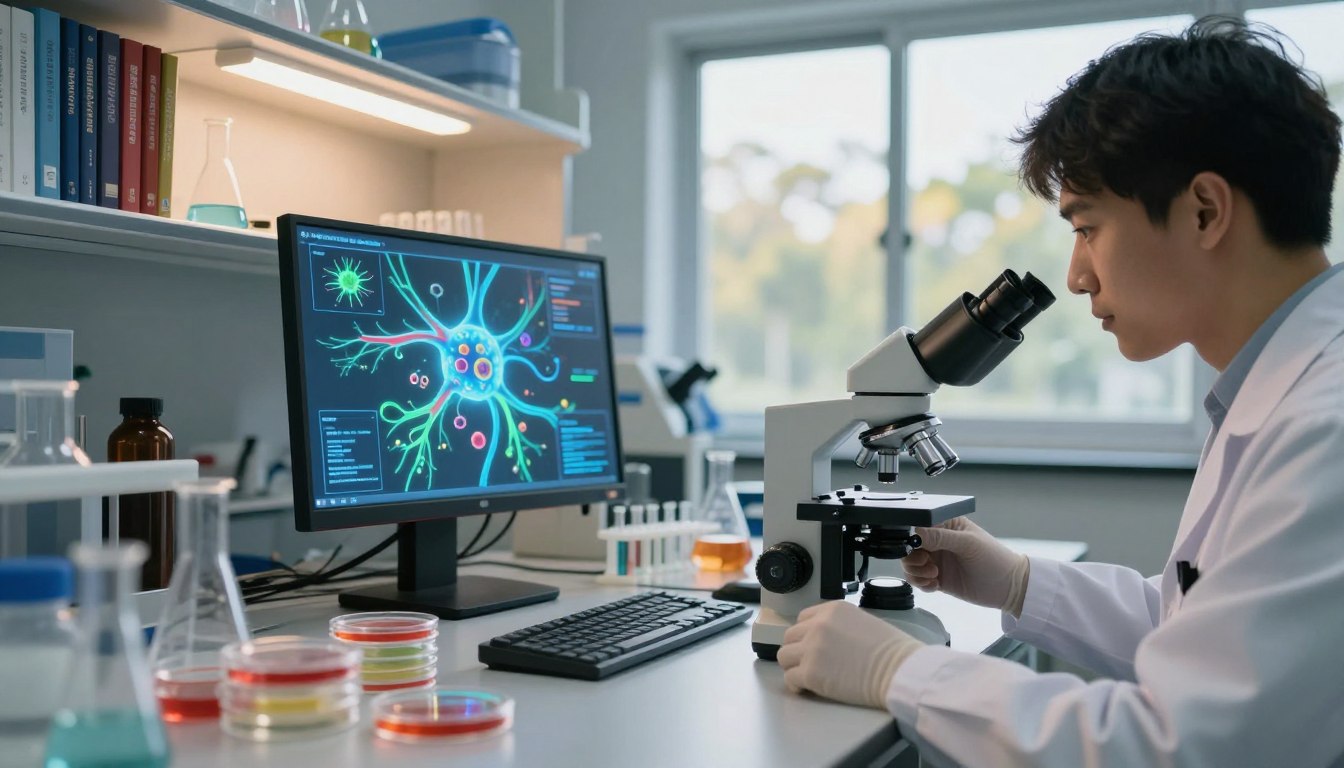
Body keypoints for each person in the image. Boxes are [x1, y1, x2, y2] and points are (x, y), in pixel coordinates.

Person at [776, 15, 1344, 767]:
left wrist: (898, 672)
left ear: (1205, 211)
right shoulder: (1281, 390)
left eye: (1087, 227)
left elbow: (1179, 747)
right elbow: (1206, 631)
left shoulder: (1325, 428)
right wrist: (1019, 582)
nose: (1077, 277)